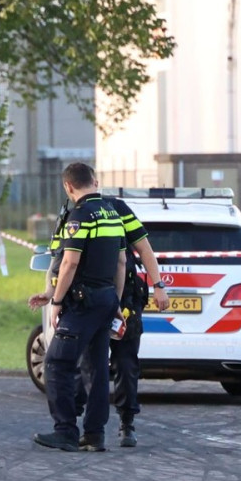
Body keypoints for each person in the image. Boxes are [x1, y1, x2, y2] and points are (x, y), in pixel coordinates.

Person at [27, 162, 124, 452]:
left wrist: (55, 301)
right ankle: (95, 435)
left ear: (68, 187)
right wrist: (116, 302)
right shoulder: (111, 213)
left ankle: (66, 431)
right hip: (106, 298)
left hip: (84, 302)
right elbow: (121, 262)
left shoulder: (80, 216)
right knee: (96, 369)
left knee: (56, 361)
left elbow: (69, 262)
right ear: (93, 181)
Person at [75, 187, 171, 447]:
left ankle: (125, 423)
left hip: (121, 299)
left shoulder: (115, 209)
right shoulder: (75, 211)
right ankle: (83, 423)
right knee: (86, 363)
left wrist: (159, 285)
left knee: (124, 363)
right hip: (93, 299)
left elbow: (144, 248)